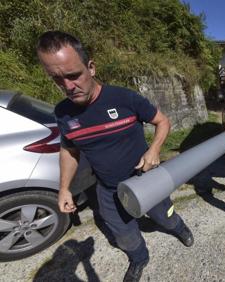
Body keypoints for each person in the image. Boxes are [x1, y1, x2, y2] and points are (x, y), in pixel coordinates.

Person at [36, 31, 194, 282]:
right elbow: (69, 149)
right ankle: (139, 258)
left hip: (145, 179)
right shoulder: (63, 113)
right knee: (123, 232)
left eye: (73, 75)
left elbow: (162, 122)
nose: (67, 86)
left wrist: (154, 150)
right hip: (108, 189)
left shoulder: (124, 98)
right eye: (57, 79)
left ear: (91, 67)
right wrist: (64, 189)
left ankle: (179, 228)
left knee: (164, 214)